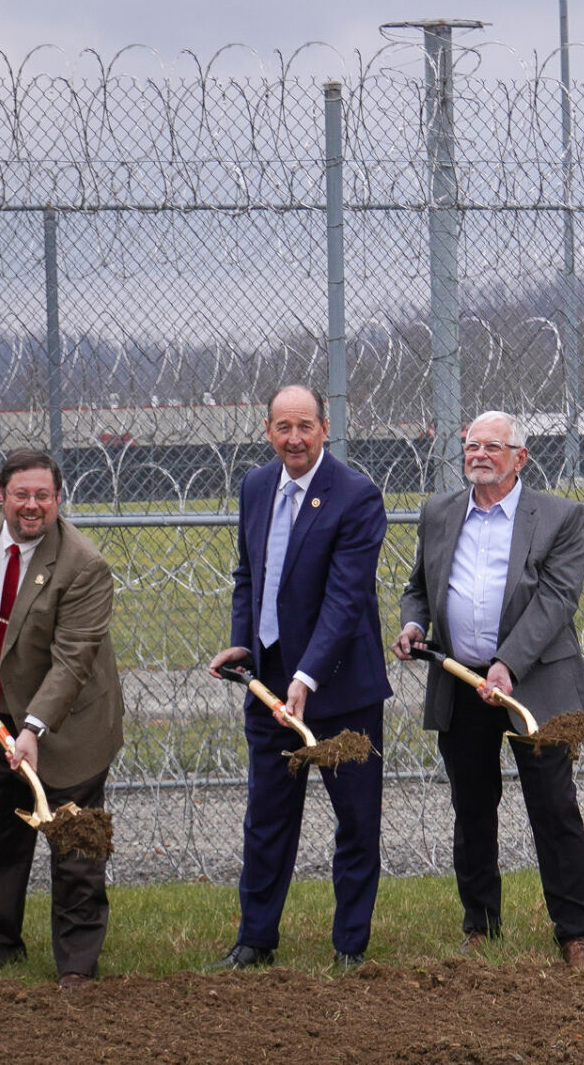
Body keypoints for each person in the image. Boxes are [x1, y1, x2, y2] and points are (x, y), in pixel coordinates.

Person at [393, 411, 584, 970]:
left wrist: (508, 663)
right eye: (471, 445)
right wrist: (414, 625)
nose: (479, 454)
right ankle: (480, 926)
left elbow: (557, 599)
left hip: (535, 684)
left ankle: (575, 931)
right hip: (461, 682)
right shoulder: (439, 513)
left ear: (520, 457)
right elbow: (419, 587)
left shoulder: (559, 516)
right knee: (473, 807)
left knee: (554, 806)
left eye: (493, 446)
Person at [0, 448, 125, 990]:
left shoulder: (83, 565)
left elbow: (72, 660)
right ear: (1, 496)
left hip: (68, 725)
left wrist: (33, 729)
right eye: (22, 495)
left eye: (44, 496)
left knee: (75, 842)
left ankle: (78, 964)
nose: (32, 506)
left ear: (58, 500)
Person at [207, 384, 392, 970]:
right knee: (267, 819)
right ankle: (255, 939)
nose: (294, 438)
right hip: (269, 686)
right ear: (268, 431)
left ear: (325, 428)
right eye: (283, 427)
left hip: (338, 690)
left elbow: (345, 599)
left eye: (305, 426)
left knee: (356, 822)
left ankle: (350, 946)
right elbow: (248, 574)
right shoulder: (256, 486)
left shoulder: (357, 496)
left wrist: (307, 677)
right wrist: (243, 642)